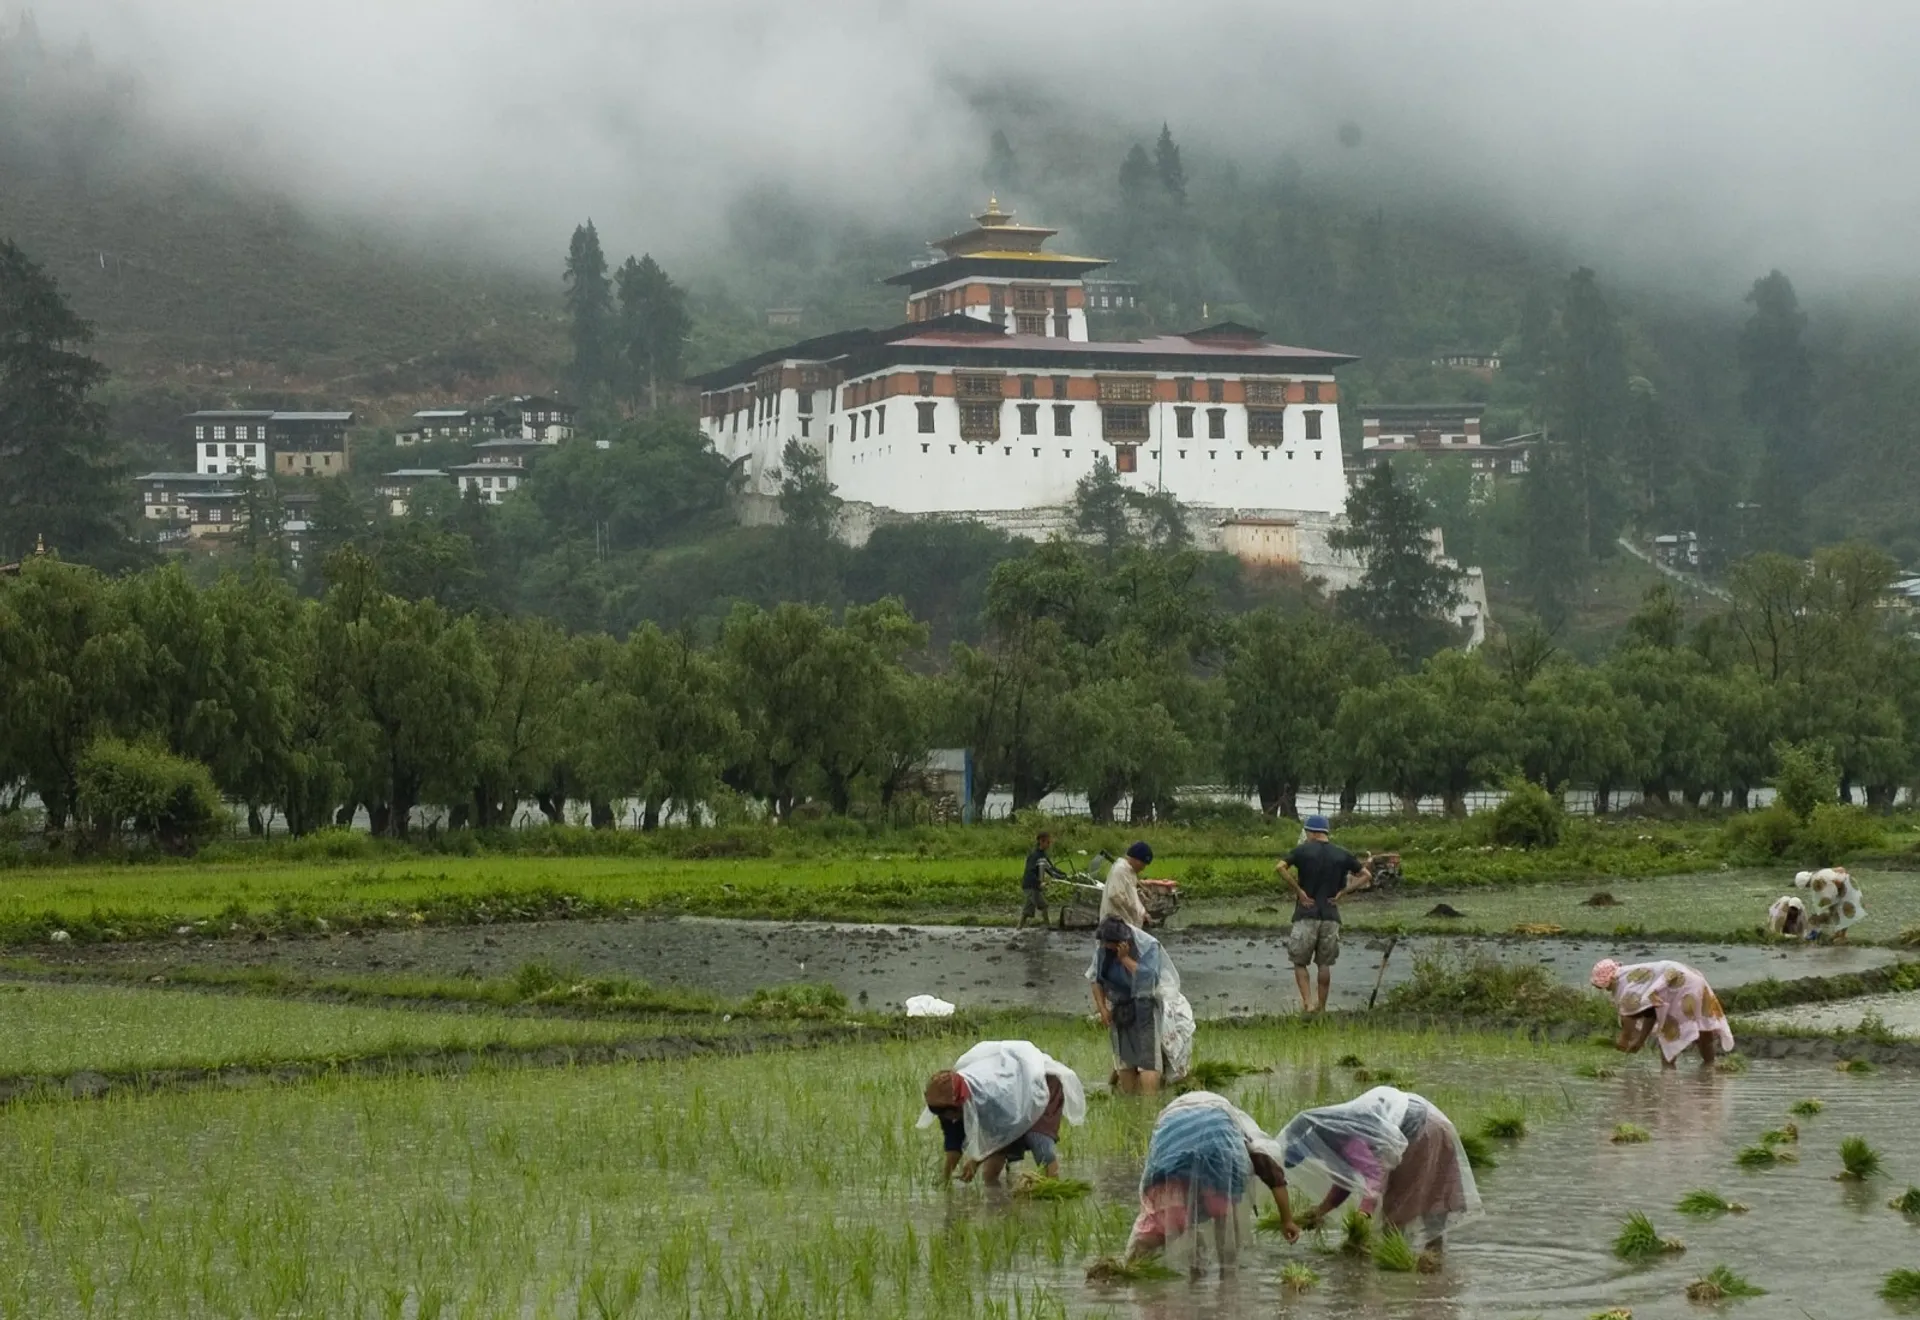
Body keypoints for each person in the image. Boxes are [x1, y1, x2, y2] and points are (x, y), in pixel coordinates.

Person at [1280, 1086, 1480, 1254]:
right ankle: (1427, 1264)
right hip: (1420, 1127)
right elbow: (1345, 1181)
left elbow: (1374, 1176)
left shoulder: (1343, 1137)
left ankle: (1420, 1266)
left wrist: (1363, 1213)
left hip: (1425, 1131)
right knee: (1408, 1206)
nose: (1311, 1155)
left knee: (1405, 1209)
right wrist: (1320, 1211)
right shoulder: (1329, 1132)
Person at [1126, 1091, 1297, 1269]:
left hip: (1172, 1146)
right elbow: (1275, 1177)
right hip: (1218, 1143)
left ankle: (1129, 1265)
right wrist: (1287, 1220)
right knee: (1224, 1215)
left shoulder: (1187, 1114)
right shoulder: (1245, 1135)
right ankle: (1227, 1274)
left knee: (1165, 1216)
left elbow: (1152, 1177)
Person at [920, 1040, 1087, 1185]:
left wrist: (975, 1161)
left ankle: (1053, 1189)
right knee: (990, 1173)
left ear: (958, 1106)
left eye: (950, 1115)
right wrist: (945, 1178)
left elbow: (1009, 1130)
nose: (949, 1119)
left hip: (1039, 1084)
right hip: (1013, 1091)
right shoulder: (945, 1100)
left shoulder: (991, 1095)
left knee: (1038, 1139)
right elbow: (954, 1142)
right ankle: (997, 1196)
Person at [1275, 814, 1371, 1013]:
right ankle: (1322, 1006)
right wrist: (1344, 892)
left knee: (1300, 962)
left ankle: (1308, 1004)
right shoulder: (1342, 853)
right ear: (1325, 832)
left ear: (1311, 832)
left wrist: (1299, 891)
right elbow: (1366, 875)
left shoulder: (1302, 851)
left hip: (1306, 914)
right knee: (1324, 964)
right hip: (1330, 916)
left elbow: (1280, 867)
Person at [1591, 958, 1735, 1068]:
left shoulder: (1623, 984)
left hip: (1678, 983)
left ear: (1608, 980)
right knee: (1702, 1026)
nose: (1604, 990)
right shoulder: (1633, 973)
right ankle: (1709, 1069)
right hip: (1694, 979)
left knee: (1669, 1032)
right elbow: (1651, 1012)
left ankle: (1667, 1074)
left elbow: (1631, 1016)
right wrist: (1640, 1041)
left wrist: (1626, 1039)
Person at [1796, 867, 1866, 942]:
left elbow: (1835, 885)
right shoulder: (1819, 874)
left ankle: (1842, 936)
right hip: (1842, 888)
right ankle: (1838, 933)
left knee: (1842, 912)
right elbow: (1839, 870)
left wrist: (1839, 893)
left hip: (1845, 888)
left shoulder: (1817, 879)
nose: (1808, 887)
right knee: (1834, 910)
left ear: (1806, 882)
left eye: (1806, 886)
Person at [1019, 831, 1068, 928]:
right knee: (1042, 906)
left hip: (1034, 886)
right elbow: (1029, 873)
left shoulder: (1043, 856)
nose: (1049, 845)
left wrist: (1064, 876)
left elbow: (1051, 869)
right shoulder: (1034, 856)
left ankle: (1019, 928)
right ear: (1041, 842)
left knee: (1030, 909)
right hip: (1030, 885)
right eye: (1047, 842)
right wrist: (1039, 883)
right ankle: (1047, 926)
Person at [1100, 840, 1152, 927]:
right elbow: (1115, 896)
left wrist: (1143, 913)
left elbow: (1131, 895)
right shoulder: (1120, 870)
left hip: (1125, 926)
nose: (1143, 868)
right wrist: (1137, 912)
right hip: (1115, 926)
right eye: (1143, 864)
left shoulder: (1130, 872)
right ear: (1135, 859)